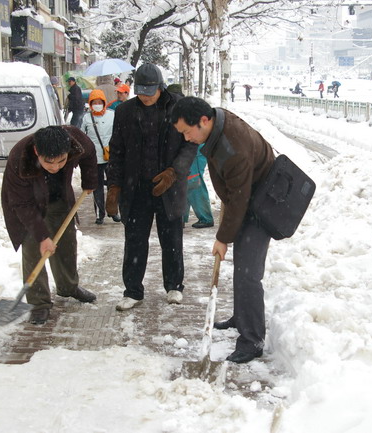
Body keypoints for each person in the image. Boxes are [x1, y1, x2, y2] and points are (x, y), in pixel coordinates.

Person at [171, 96, 275, 364]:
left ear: (203, 121)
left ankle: (252, 341)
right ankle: (242, 317)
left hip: (262, 202)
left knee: (249, 273)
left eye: (186, 131)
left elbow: (239, 198)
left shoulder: (233, 145)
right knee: (242, 268)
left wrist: (222, 238)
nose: (186, 138)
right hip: (247, 197)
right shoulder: (216, 124)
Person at [105, 63, 198, 311]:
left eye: (150, 91)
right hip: (136, 188)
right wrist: (114, 185)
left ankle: (174, 286)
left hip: (169, 187)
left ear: (161, 87)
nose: (145, 97)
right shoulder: (124, 111)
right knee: (135, 240)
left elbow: (190, 144)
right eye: (141, 92)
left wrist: (174, 172)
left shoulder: (179, 107)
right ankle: (133, 290)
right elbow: (116, 150)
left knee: (172, 239)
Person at [1, 126, 98, 325]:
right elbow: (20, 203)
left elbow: (90, 153)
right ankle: (39, 304)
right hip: (29, 205)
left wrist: (89, 180)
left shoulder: (76, 140)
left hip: (60, 197)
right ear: (37, 152)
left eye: (62, 161)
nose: (55, 167)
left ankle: (68, 287)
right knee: (33, 249)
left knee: (67, 243)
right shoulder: (19, 157)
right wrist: (42, 236)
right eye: (49, 162)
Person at [81, 89, 119, 225]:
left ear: (104, 103)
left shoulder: (112, 115)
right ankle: (100, 214)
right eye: (94, 102)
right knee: (96, 187)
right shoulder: (86, 118)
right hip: (93, 158)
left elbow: (117, 133)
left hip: (110, 156)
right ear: (90, 104)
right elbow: (81, 136)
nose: (97, 104)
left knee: (113, 185)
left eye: (99, 102)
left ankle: (114, 211)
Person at [184, 143, 214, 229]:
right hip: (189, 148)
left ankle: (206, 218)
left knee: (194, 182)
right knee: (184, 183)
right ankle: (180, 217)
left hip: (194, 149)